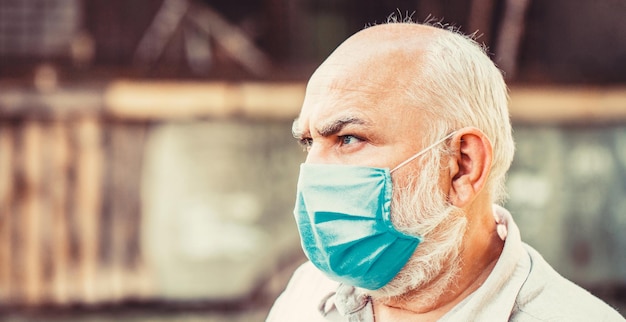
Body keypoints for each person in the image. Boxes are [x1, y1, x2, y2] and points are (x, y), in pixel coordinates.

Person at [267, 20, 625, 322]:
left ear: (462, 166)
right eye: (308, 142)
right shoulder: (308, 293)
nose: (312, 174)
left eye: (348, 138)